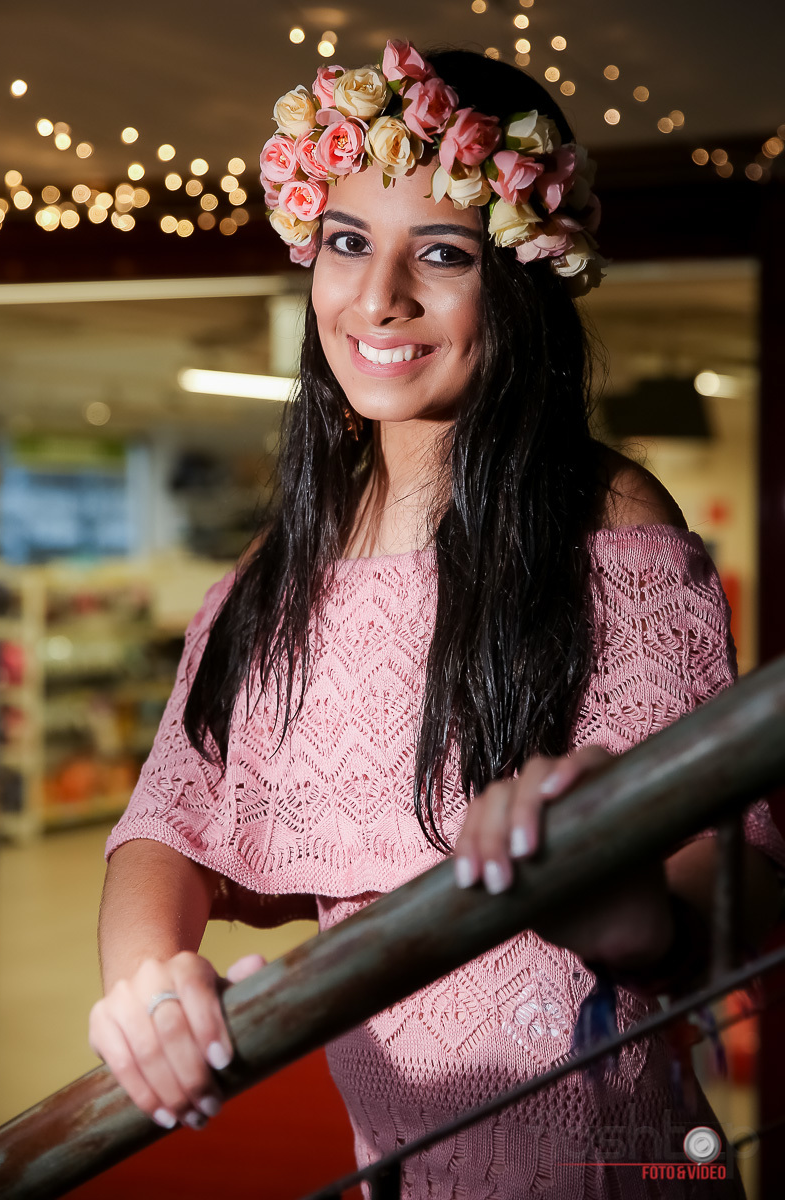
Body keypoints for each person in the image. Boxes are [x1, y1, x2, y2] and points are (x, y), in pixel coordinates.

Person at [91, 41, 785, 1197]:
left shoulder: (602, 514)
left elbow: (733, 875)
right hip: (394, 1170)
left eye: (442, 253)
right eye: (346, 242)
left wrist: (620, 904)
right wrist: (149, 979)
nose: (378, 297)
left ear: (518, 276)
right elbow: (168, 821)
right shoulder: (278, 568)